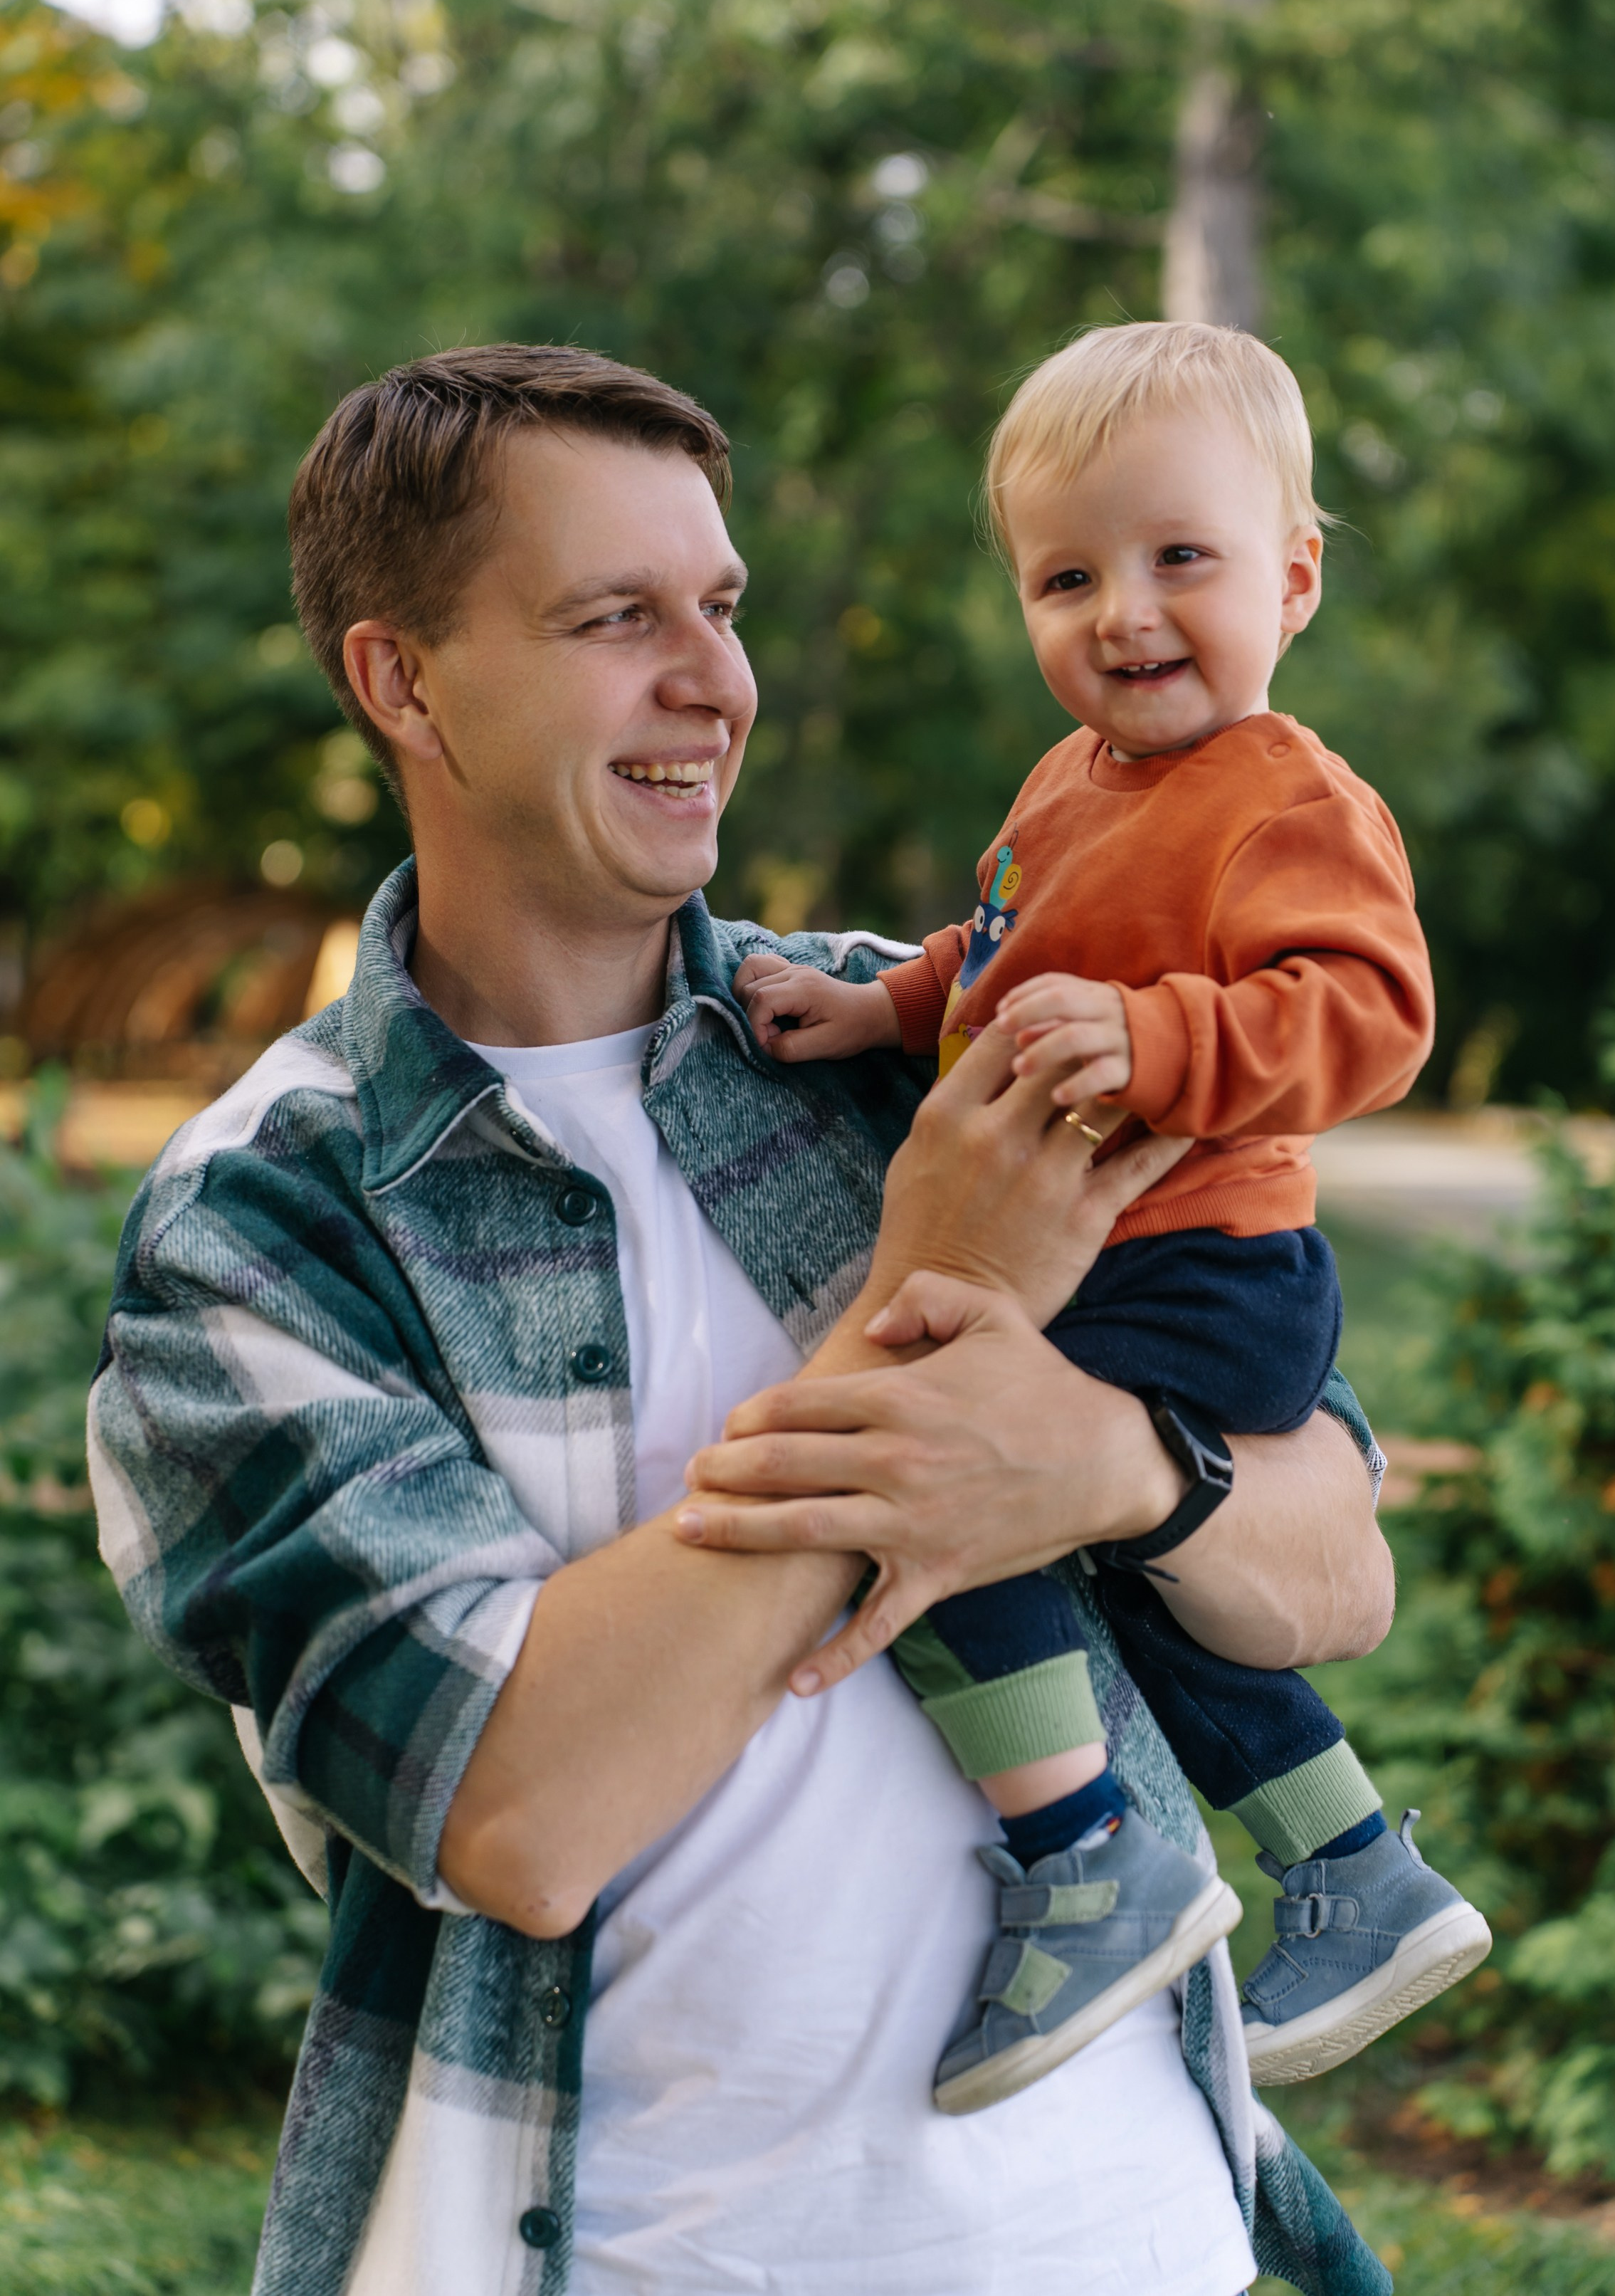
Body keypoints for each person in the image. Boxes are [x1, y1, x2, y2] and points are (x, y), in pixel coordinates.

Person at [89, 342, 1396, 2296]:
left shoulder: (913, 1040)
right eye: (615, 618)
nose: (712, 681)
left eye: (716, 606)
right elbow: (515, 1803)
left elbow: (1330, 1571)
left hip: (1131, 2232)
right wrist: (917, 1306)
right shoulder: (261, 1220)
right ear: (403, 679)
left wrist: (1106, 1462)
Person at [731, 321, 1490, 2109]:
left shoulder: (1287, 799)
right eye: (1068, 575)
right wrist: (890, 1005)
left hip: (1203, 1256)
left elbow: (1376, 1019)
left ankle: (1083, 1854)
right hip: (1120, 1262)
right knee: (1124, 1575)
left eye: (1181, 559)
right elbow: (1006, 961)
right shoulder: (1071, 785)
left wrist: (1165, 1038)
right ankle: (1354, 1866)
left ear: (1292, 580)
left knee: (927, 1475)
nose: (1125, 611)